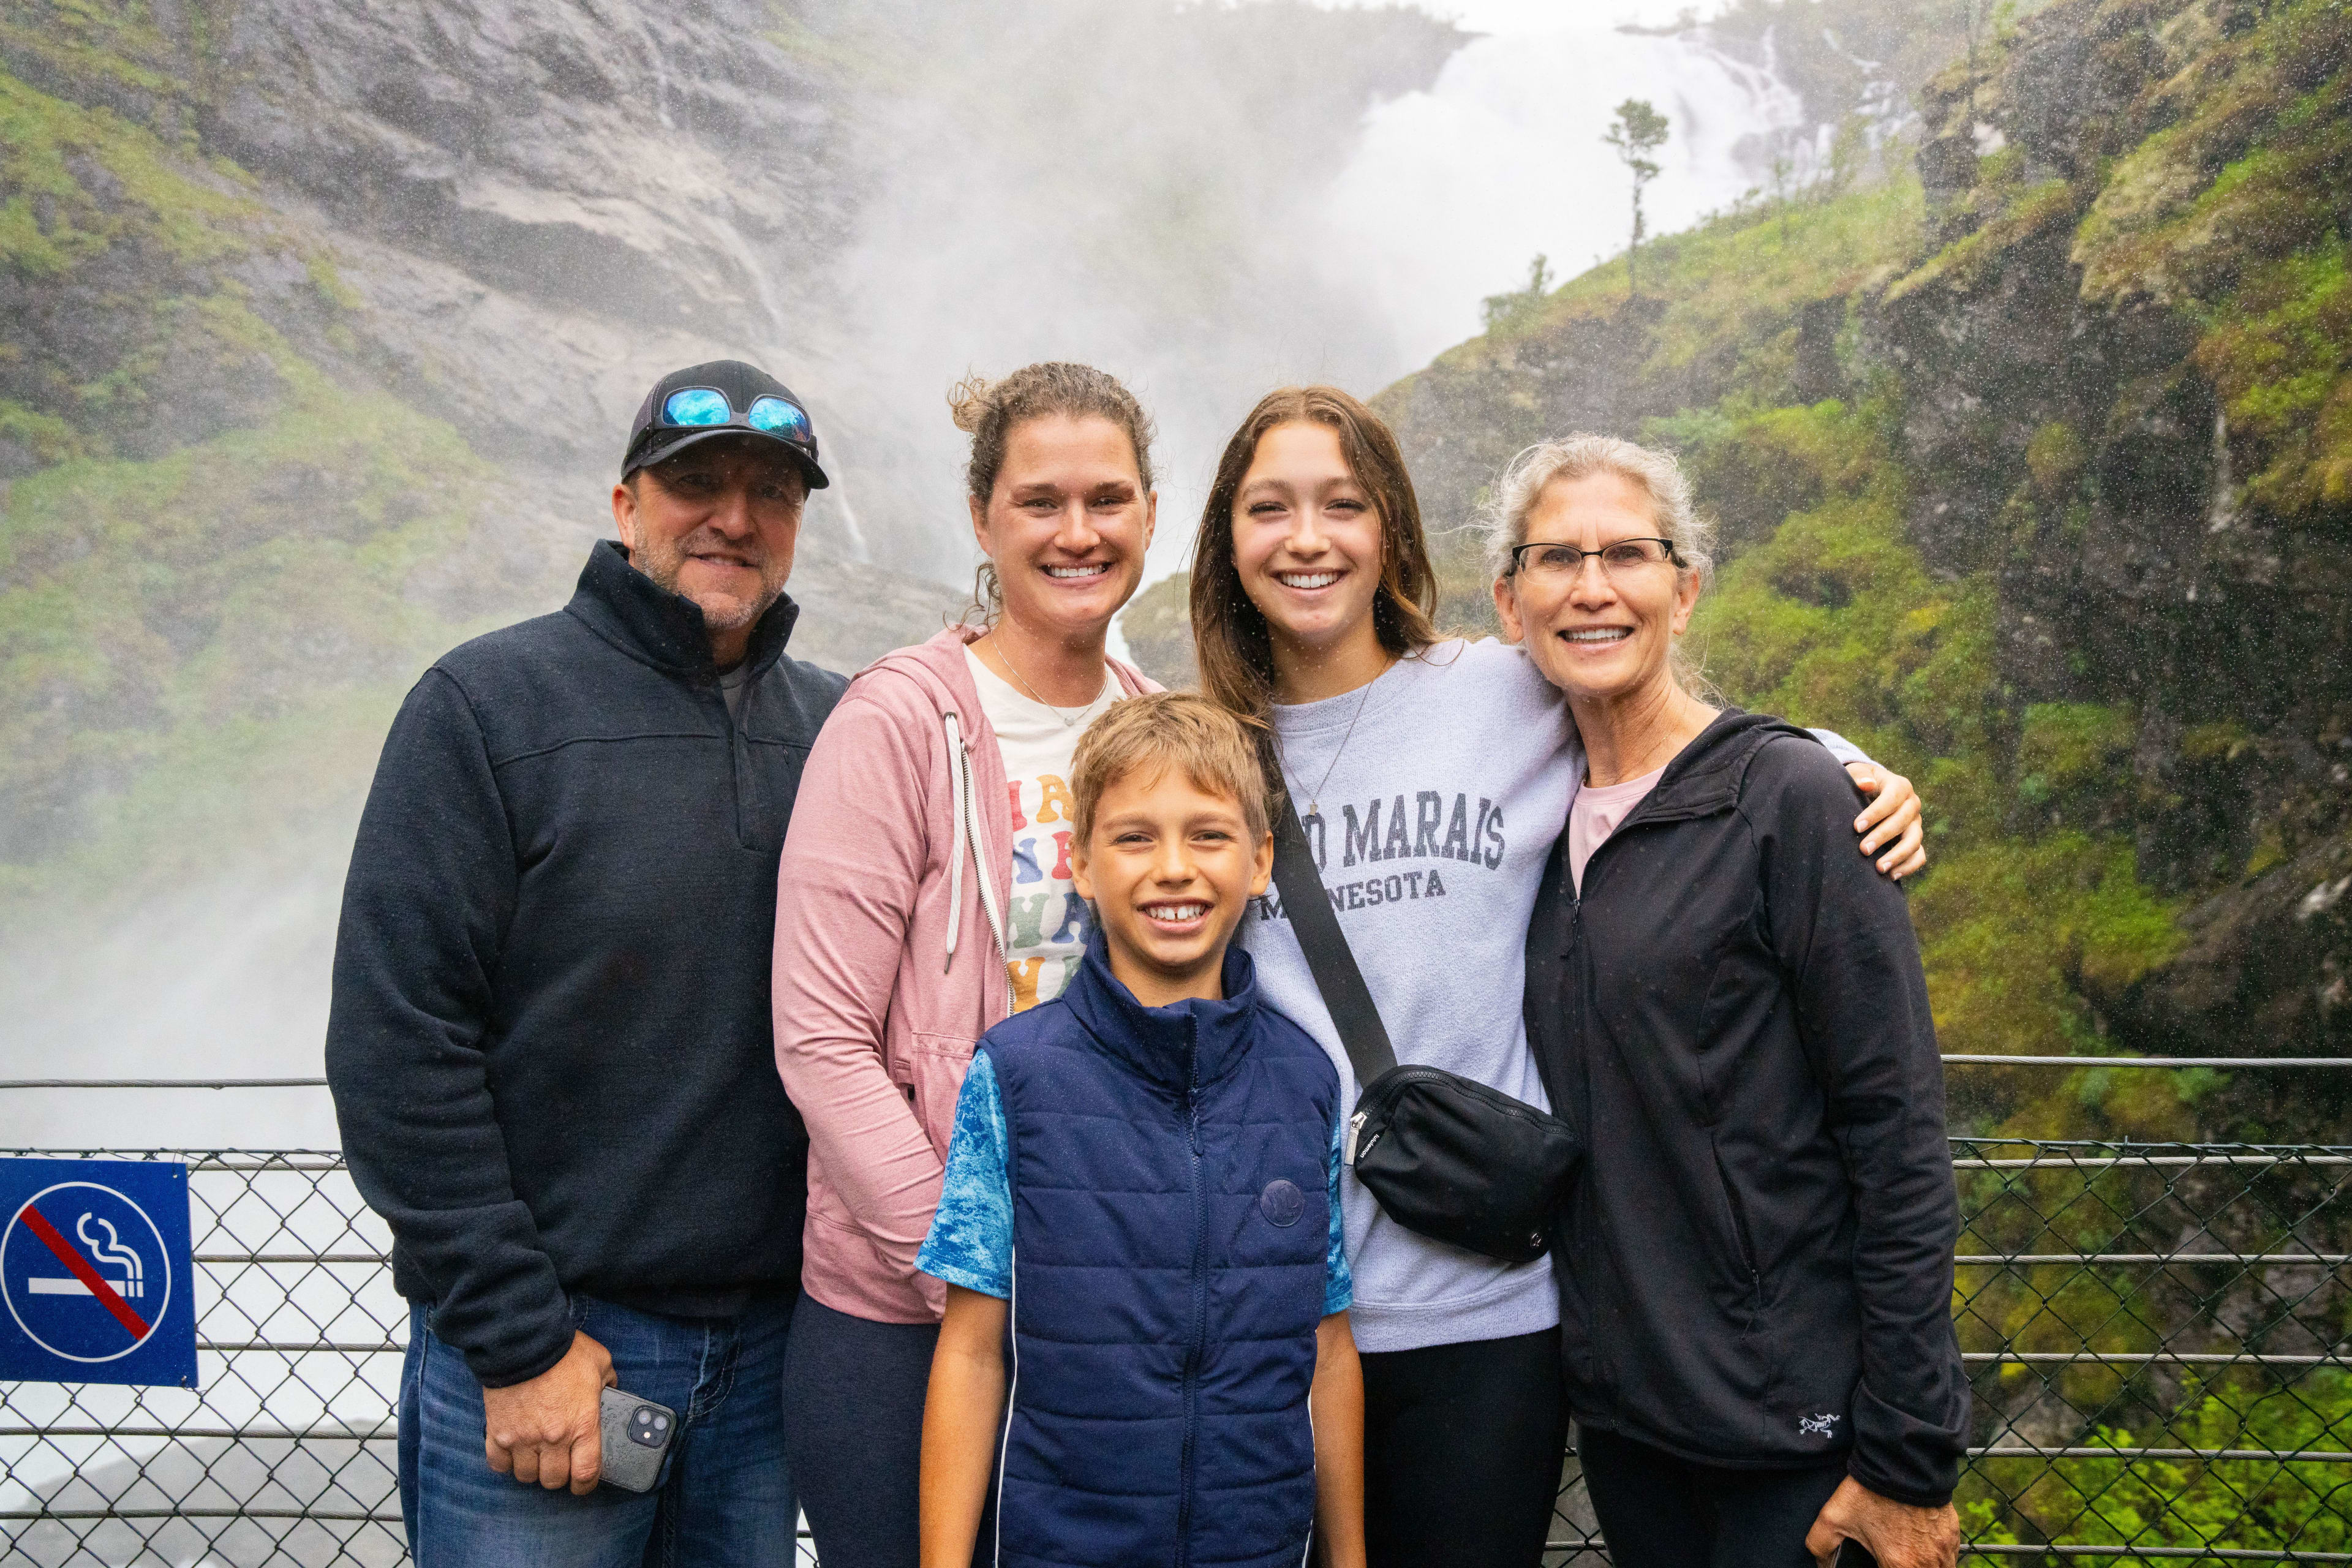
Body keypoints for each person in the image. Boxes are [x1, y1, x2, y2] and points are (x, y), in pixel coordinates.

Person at [1185, 386, 1929, 1567]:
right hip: (1276, 1313)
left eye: (1343, 503)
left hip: (1492, 1314)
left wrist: (1836, 768)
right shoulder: (1206, 746)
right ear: (1227, 539)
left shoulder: (1494, 687)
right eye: (1270, 508)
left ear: (1391, 536)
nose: (1309, 538)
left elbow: (1667, 719)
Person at [326, 359, 845, 1566]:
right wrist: (519, 1340)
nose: (734, 515)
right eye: (695, 483)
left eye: (772, 491)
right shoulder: (484, 704)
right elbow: (398, 1040)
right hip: (557, 1351)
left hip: (770, 1361)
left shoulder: (842, 725)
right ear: (624, 506)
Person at [1500, 435, 1967, 1568]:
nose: (1594, 586)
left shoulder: (1793, 799)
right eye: (1558, 558)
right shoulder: (1529, 822)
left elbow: (1896, 1133)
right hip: (1630, 1424)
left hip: (1801, 1432)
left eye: (1628, 553)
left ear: (1686, 584)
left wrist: (1907, 1455)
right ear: (1511, 601)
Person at [769, 363, 1162, 1567]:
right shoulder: (900, 718)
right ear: (985, 517)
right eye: (1041, 500)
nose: (1077, 531)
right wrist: (974, 1275)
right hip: (905, 1320)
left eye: (1109, 498)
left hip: (1105, 1313)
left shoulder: (1154, 722)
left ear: (1152, 512)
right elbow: (821, 1041)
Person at [915, 692, 1367, 1568]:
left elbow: (1328, 1341)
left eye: (1207, 834)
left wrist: (1346, 1559)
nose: (1173, 868)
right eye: (1133, 838)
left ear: (1262, 858)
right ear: (1080, 862)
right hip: (1063, 1547)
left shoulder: (1306, 1080)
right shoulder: (1017, 1075)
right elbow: (971, 1354)